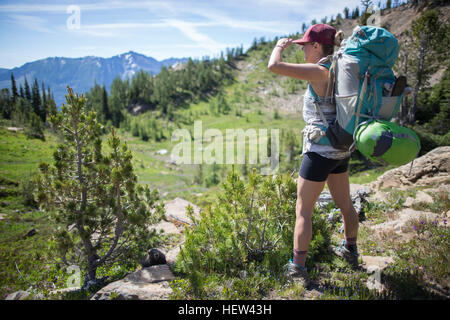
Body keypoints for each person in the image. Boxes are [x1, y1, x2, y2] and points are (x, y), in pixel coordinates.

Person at [268, 24, 360, 287]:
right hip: (341, 148)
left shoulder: (320, 70)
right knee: (345, 204)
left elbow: (274, 66)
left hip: (319, 152)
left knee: (303, 210)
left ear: (317, 46)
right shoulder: (342, 68)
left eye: (305, 45)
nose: (303, 50)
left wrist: (279, 46)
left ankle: (297, 268)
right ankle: (350, 251)